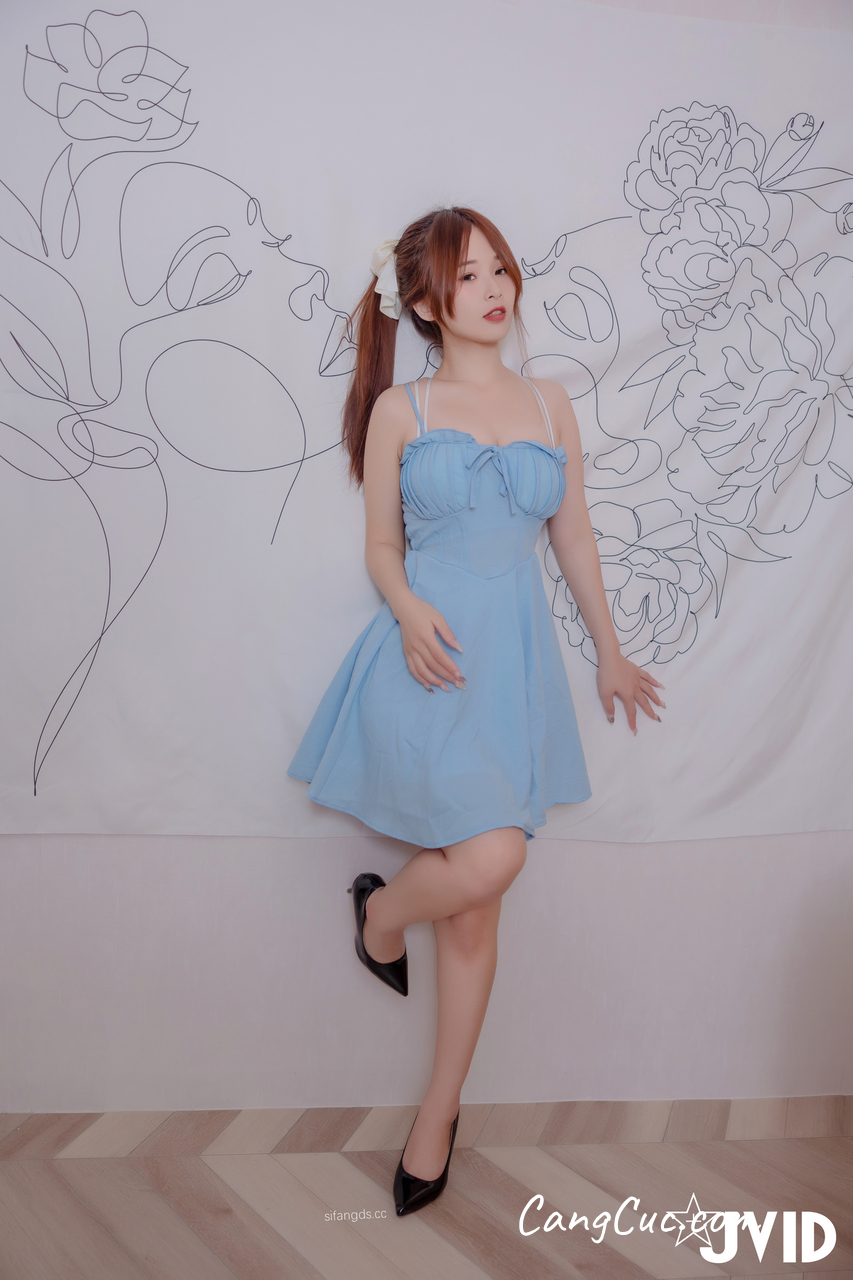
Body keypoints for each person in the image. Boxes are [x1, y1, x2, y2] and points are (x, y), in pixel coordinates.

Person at [287, 207, 664, 1216]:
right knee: (489, 865)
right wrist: (408, 609)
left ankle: (433, 1107)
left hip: (513, 668)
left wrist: (610, 651)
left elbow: (573, 536)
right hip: (433, 660)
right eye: (467, 276)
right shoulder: (400, 408)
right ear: (423, 302)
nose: (493, 289)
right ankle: (380, 916)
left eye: (500, 269)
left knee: (478, 896)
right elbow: (381, 545)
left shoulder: (550, 401)